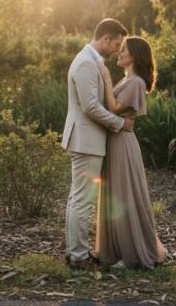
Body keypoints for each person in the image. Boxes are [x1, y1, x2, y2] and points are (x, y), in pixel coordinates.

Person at [62, 18, 135, 270]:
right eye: (116, 43)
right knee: (82, 200)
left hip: (86, 139)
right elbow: (90, 106)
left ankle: (76, 254)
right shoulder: (85, 63)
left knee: (78, 198)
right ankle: (79, 258)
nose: (117, 49)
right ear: (105, 39)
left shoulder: (91, 61)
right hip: (86, 140)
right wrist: (119, 123)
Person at [94, 36, 167, 269]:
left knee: (125, 195)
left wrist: (105, 78)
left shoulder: (135, 82)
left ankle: (132, 254)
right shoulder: (128, 79)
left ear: (133, 56)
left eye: (123, 50)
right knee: (115, 194)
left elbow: (114, 108)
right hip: (116, 139)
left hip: (123, 143)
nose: (119, 53)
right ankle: (117, 250)